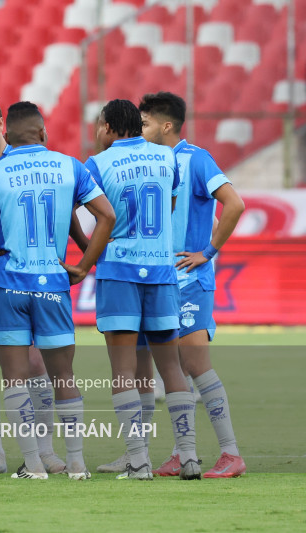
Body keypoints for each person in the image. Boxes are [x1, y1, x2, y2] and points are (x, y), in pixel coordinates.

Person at [0, 102, 114, 480]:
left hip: (6, 282)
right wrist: (85, 265)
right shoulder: (70, 166)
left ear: (8, 132)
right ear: (42, 133)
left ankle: (34, 466)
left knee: (16, 379)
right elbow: (108, 216)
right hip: (52, 282)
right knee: (63, 377)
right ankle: (76, 464)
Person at [84, 100, 200, 480]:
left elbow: (99, 217)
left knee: (124, 370)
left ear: (109, 127)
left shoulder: (97, 164)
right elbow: (167, 206)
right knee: (172, 367)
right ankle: (189, 458)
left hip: (119, 271)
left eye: (99, 125)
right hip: (162, 272)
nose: (97, 132)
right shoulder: (168, 158)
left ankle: (138, 462)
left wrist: (86, 259)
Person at [139, 91, 246, 478]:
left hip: (190, 278)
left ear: (166, 125)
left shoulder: (196, 158)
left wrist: (208, 251)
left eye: (146, 122)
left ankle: (231, 454)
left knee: (196, 365)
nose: (141, 128)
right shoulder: (151, 161)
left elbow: (234, 204)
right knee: (177, 371)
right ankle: (181, 452)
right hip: (162, 279)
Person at [0, 94, 65, 475]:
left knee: (34, 362)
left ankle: (46, 451)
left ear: (2, 123)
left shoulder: (29, 161)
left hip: (23, 278)